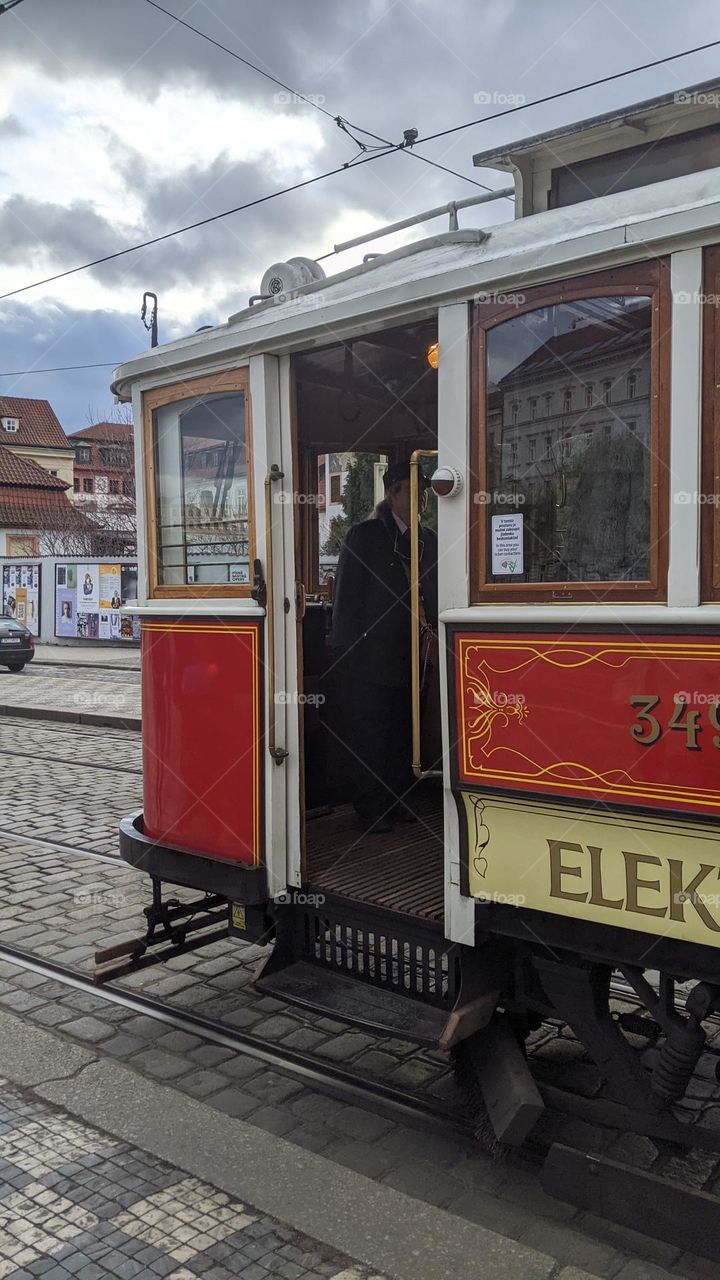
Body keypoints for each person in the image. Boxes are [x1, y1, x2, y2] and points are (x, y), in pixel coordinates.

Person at [331, 461, 438, 834]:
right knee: (371, 733)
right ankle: (371, 805)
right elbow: (347, 597)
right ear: (393, 494)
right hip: (370, 656)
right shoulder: (365, 536)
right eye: (413, 490)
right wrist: (348, 652)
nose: (421, 498)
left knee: (402, 732)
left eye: (423, 491)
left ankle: (397, 798)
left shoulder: (428, 539)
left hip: (413, 655)